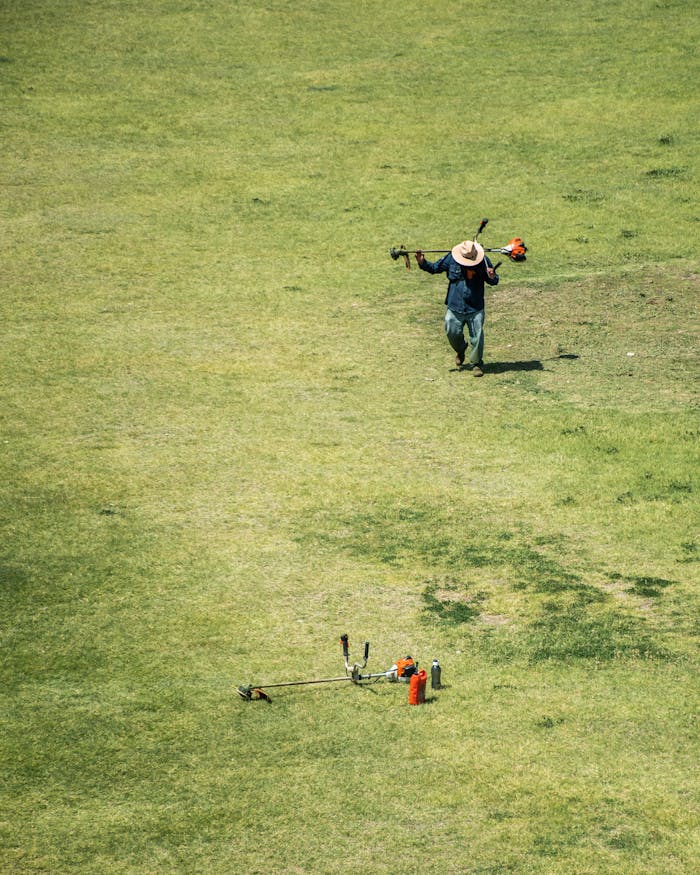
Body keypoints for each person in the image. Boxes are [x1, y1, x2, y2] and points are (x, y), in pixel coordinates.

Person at [416, 240, 499, 376]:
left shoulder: (483, 260)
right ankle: (461, 349)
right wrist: (422, 262)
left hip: (475, 306)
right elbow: (435, 268)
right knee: (451, 332)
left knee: (477, 337)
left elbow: (493, 281)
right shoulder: (451, 258)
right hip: (455, 305)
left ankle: (476, 364)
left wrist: (492, 276)